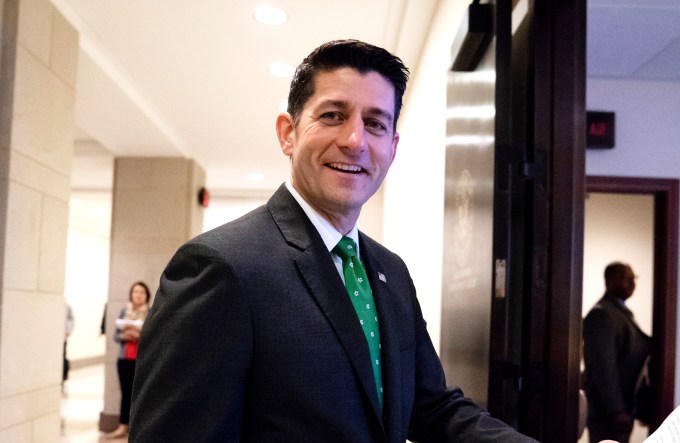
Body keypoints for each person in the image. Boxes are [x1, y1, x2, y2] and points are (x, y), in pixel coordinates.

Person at [129, 39, 538, 442]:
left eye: (375, 123)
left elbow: (432, 408)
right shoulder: (219, 267)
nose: (355, 141)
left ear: (392, 148)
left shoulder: (390, 272)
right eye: (332, 116)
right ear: (288, 133)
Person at [582, 262, 651, 443]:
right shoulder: (602, 314)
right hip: (607, 411)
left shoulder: (619, 312)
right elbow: (603, 367)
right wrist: (616, 410)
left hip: (620, 409)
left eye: (632, 277)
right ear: (608, 281)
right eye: (623, 277)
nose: (629, 281)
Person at [106, 281, 151, 439]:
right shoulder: (124, 311)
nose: (138, 295)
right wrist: (125, 335)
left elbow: (153, 338)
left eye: (141, 292)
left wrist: (140, 336)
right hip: (124, 358)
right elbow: (115, 336)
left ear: (147, 296)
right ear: (131, 294)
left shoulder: (151, 313)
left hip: (142, 361)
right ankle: (122, 426)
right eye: (135, 292)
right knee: (126, 393)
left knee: (140, 394)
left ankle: (138, 428)